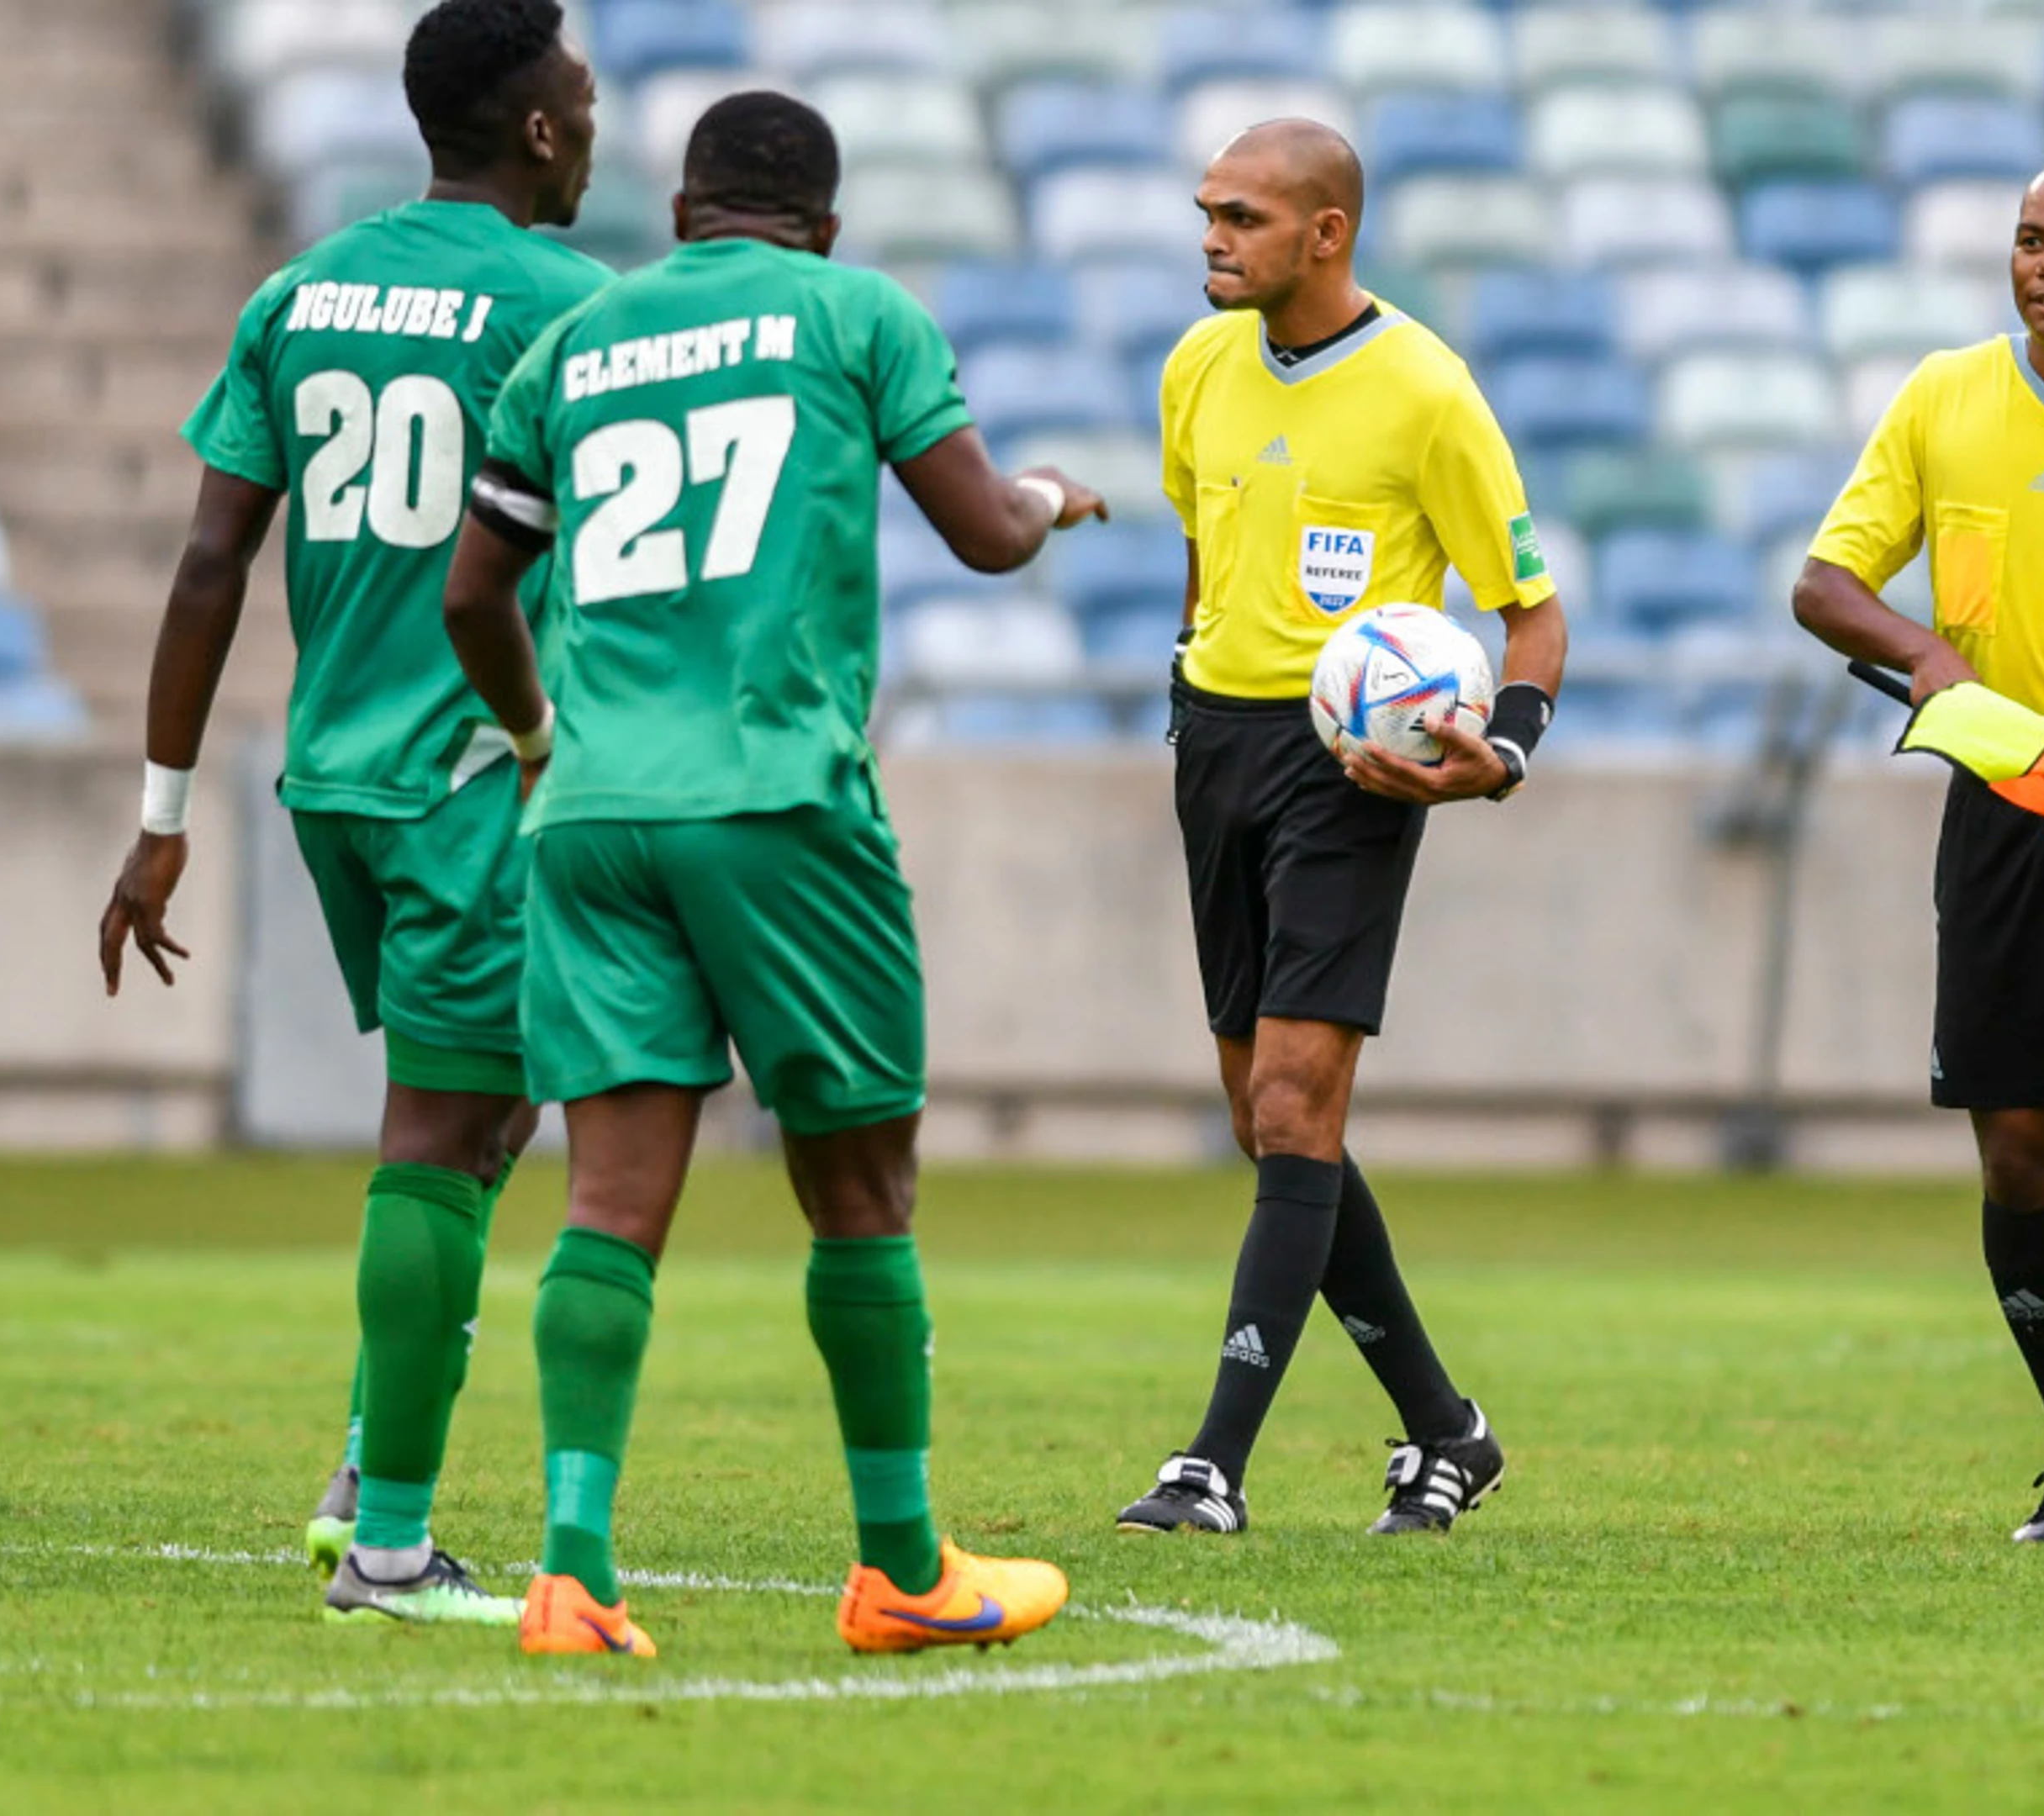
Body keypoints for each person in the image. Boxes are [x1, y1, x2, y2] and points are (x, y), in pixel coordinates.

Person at [441, 91, 1103, 1657]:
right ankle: (903, 1570)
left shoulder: (575, 345)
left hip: (594, 811)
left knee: (609, 1198)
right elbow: (986, 534)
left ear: (682, 215)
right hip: (776, 796)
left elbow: (474, 594)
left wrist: (537, 741)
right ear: (826, 223)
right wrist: (1053, 498)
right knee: (860, 1188)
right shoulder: (858, 314)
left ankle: (571, 1577)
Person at [96, 0, 609, 1626]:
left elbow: (209, 563)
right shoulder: (573, 310)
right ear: (539, 129)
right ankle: (383, 1544)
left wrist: (163, 813)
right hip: (476, 770)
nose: (595, 131)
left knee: (489, 1113)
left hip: (332, 779)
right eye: (585, 104)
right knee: (443, 1132)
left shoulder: (300, 292)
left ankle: (371, 1452)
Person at [1114, 119, 1567, 1538]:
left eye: (1242, 217)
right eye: (1207, 212)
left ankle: (1212, 1466)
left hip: (1349, 772)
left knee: (1298, 1105)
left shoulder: (1427, 390)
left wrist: (1500, 754)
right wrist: (1193, 691)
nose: (1212, 237)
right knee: (1269, 1119)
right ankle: (1446, 1429)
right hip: (1215, 743)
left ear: (1327, 233)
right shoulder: (1198, 366)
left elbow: (1533, 614)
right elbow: (1204, 559)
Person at [1793, 161, 2044, 1547]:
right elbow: (1824, 583)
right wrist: (1921, 650)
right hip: (1998, 818)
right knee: (2025, 1153)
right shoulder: (1943, 396)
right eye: (2034, 240)